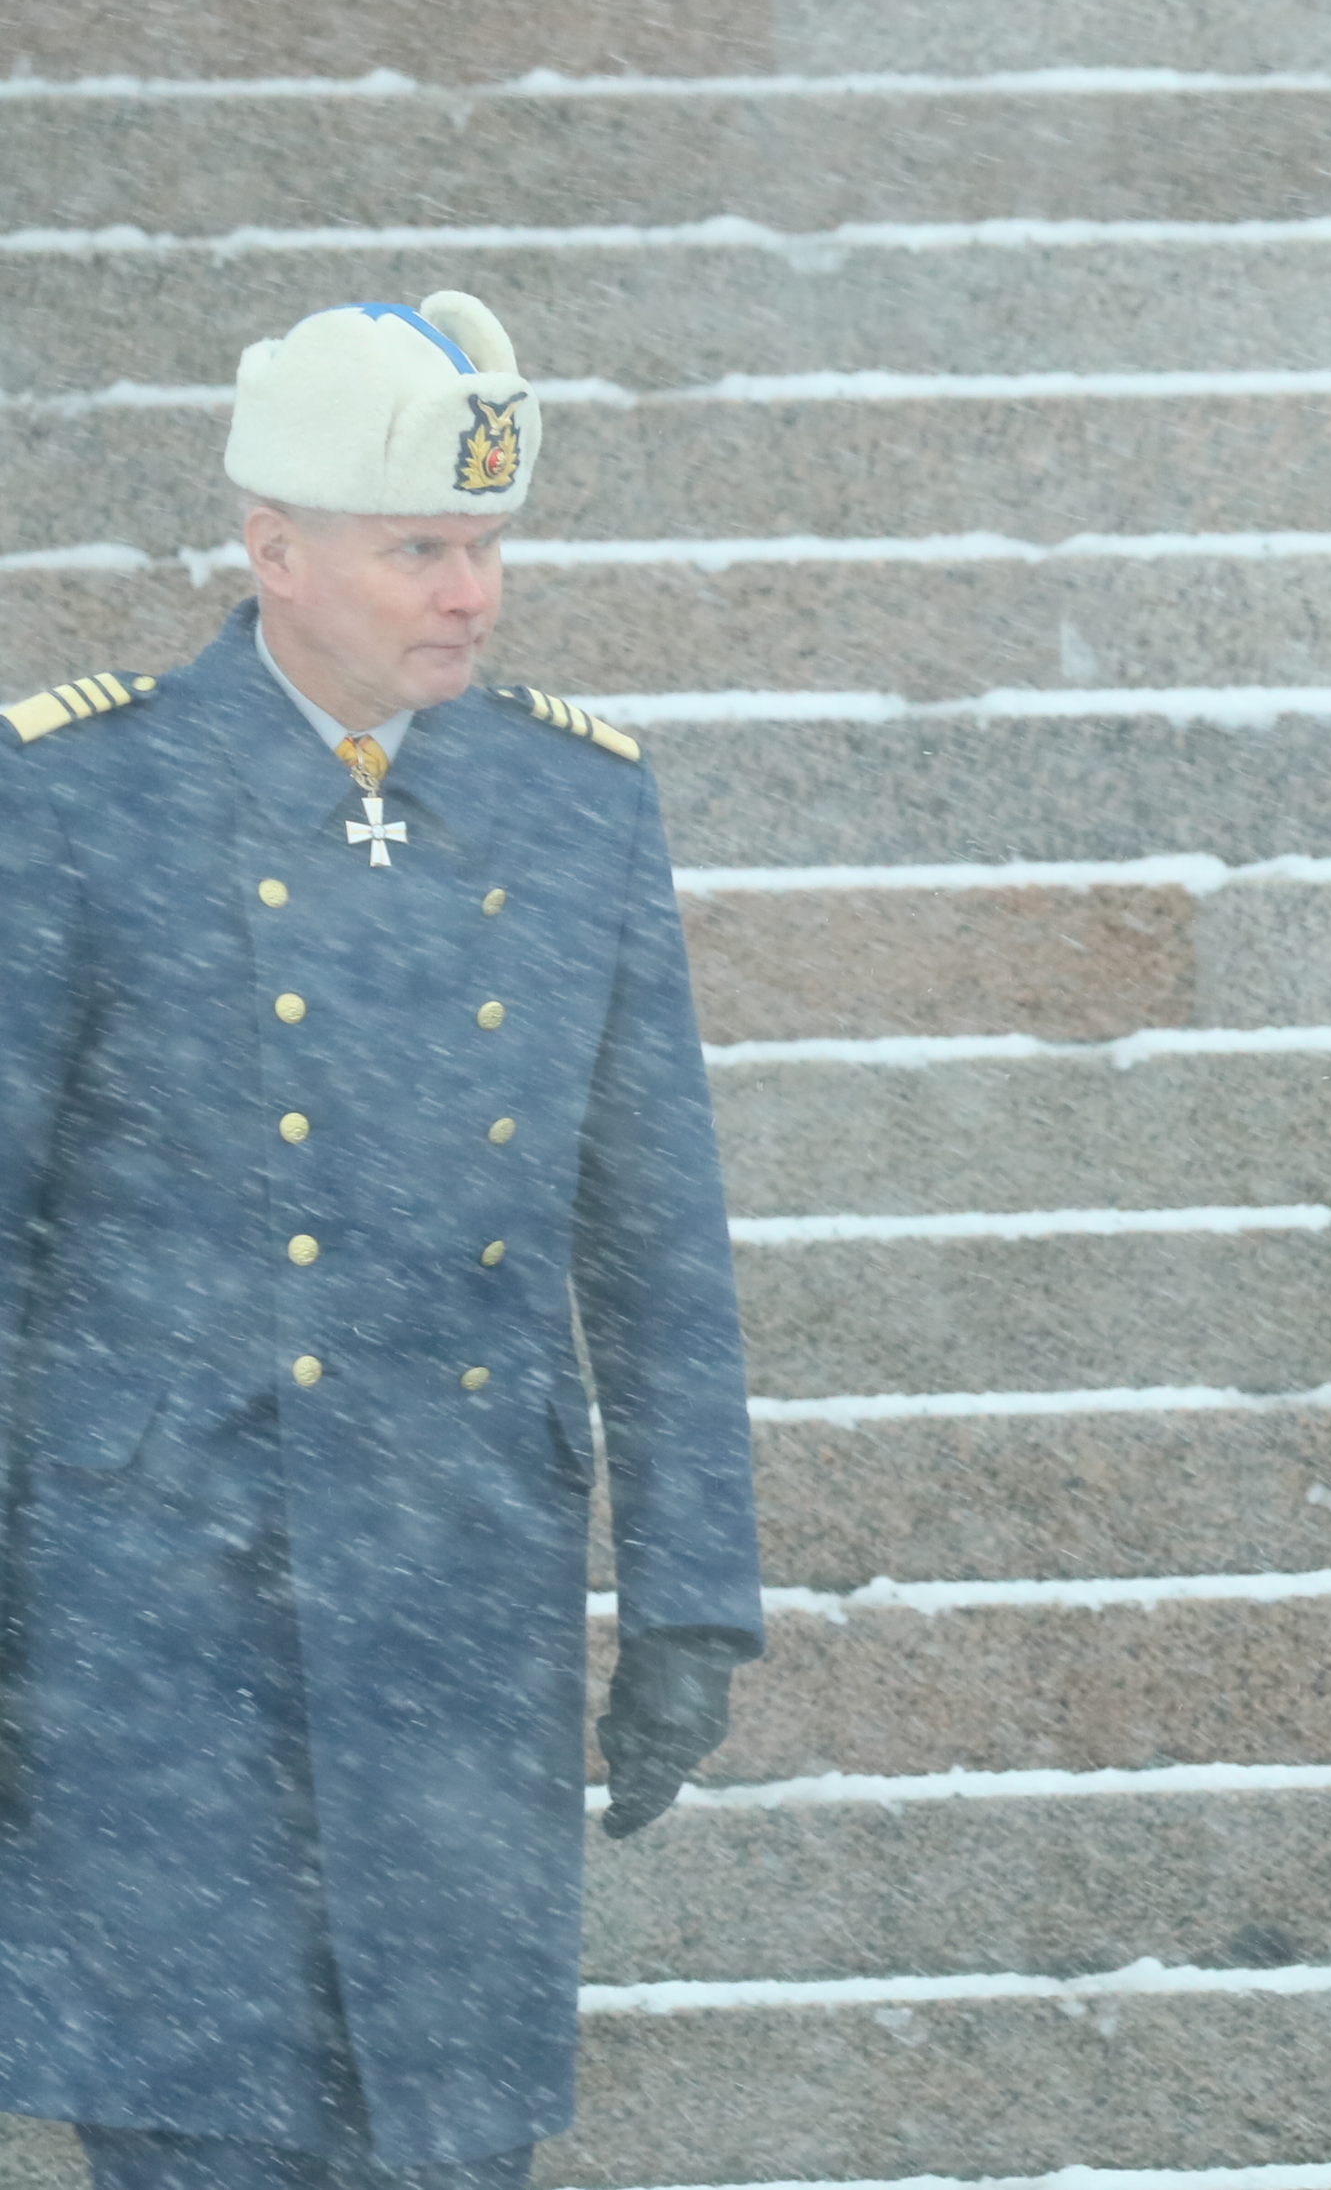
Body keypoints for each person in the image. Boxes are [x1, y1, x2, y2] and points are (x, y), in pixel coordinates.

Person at [0, 295, 765, 2190]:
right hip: (160, 1603)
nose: (471, 594)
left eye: (487, 546)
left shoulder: (574, 801)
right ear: (274, 549)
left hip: (460, 1587)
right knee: (200, 2127)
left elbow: (655, 1230)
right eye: (419, 546)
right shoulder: (79, 793)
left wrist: (690, 1590)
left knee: (445, 2134)